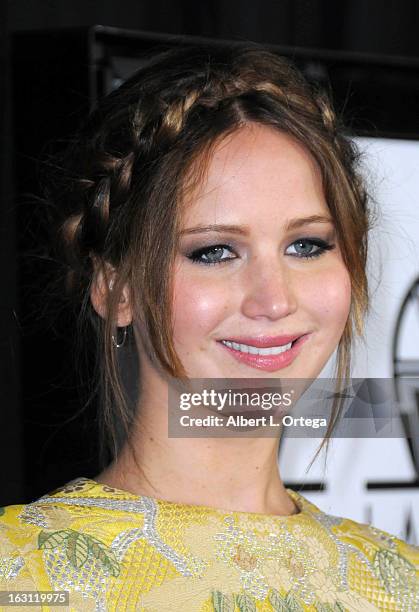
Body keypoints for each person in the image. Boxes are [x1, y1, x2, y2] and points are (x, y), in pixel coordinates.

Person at [1, 43, 418, 612]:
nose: (273, 300)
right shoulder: (21, 576)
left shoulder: (399, 582)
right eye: (215, 251)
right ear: (113, 287)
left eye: (306, 245)